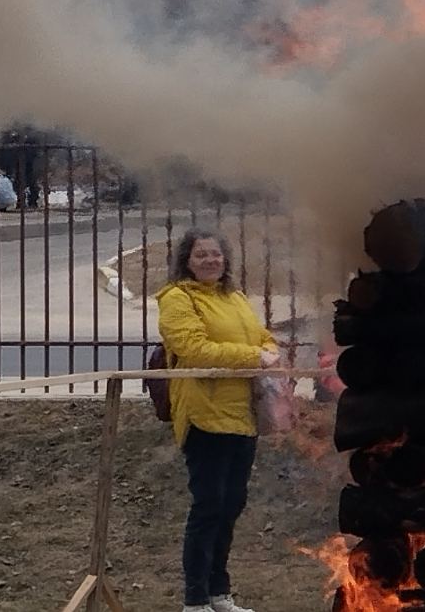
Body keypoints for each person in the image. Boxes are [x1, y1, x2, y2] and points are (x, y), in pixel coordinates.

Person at [157, 229, 279, 612]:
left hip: (243, 415)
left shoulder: (234, 297)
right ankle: (195, 600)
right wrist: (254, 357)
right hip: (204, 416)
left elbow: (262, 337)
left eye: (216, 254)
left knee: (231, 506)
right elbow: (194, 349)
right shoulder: (177, 298)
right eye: (201, 255)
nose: (211, 260)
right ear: (186, 261)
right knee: (208, 507)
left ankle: (219, 594)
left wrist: (268, 350)